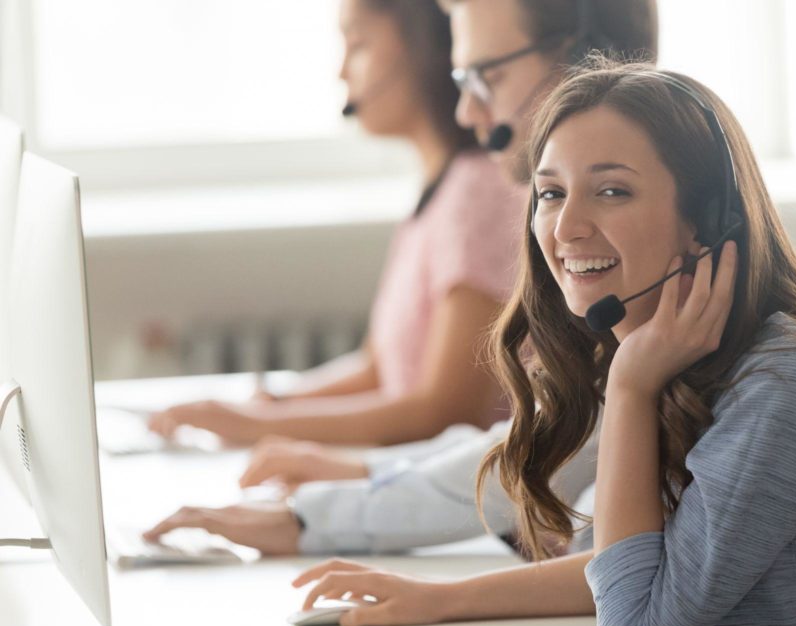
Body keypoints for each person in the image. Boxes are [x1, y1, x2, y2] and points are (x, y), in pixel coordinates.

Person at [288, 61, 796, 626]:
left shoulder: (783, 387)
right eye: (551, 192)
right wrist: (436, 600)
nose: (565, 228)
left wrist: (629, 388)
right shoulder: (692, 359)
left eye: (612, 191)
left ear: (704, 222)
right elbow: (635, 565)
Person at [144, 0, 658, 556]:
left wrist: (314, 504)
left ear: (586, 68)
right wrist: (330, 461)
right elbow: (531, 445)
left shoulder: (547, 231)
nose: (467, 110)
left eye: (489, 75)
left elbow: (463, 420)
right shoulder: (571, 252)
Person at [146, 0, 523, 449]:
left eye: (359, 44)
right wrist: (271, 406)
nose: (342, 72)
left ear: (425, 50)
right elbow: (379, 368)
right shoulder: (440, 192)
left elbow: (444, 412)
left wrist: (256, 428)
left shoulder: (477, 193)